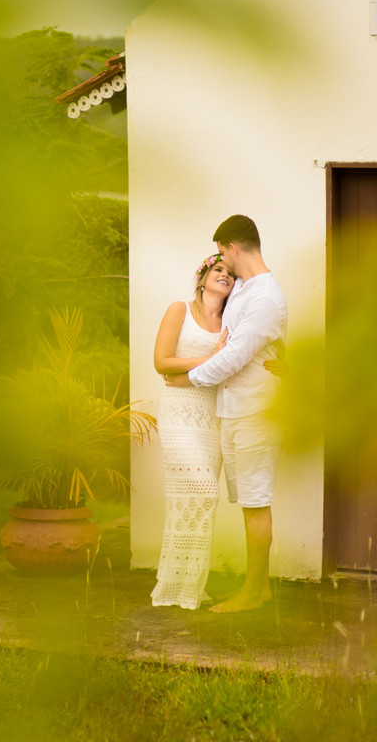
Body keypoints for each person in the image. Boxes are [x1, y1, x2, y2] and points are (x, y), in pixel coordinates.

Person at [165, 215, 287, 613]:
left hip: (256, 412)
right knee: (248, 500)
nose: (222, 264)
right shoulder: (244, 292)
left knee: (256, 501)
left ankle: (252, 594)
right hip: (233, 410)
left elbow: (236, 355)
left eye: (222, 254)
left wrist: (189, 380)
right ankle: (260, 587)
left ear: (232, 248)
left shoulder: (264, 296)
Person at [149, 253, 233, 609]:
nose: (225, 276)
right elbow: (161, 363)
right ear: (202, 277)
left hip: (211, 417)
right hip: (179, 415)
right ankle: (178, 587)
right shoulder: (179, 310)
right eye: (218, 270)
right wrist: (210, 358)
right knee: (203, 490)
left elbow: (222, 368)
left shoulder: (231, 321)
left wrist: (188, 374)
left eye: (231, 274)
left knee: (194, 502)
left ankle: (185, 587)